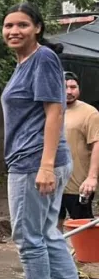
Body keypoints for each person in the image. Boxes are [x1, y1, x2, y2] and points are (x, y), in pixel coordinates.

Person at [0, 3, 91, 279]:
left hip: (34, 161)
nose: (13, 31)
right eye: (8, 25)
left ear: (37, 27)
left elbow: (55, 112)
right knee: (48, 234)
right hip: (37, 160)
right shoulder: (25, 63)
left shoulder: (43, 59)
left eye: (22, 24)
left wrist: (46, 166)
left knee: (28, 236)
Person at [60, 71, 99, 221]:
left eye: (73, 87)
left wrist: (92, 177)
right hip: (53, 182)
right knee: (51, 225)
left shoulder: (90, 113)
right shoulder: (49, 110)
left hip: (79, 185)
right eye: (64, 87)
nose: (69, 91)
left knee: (81, 225)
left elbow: (97, 144)